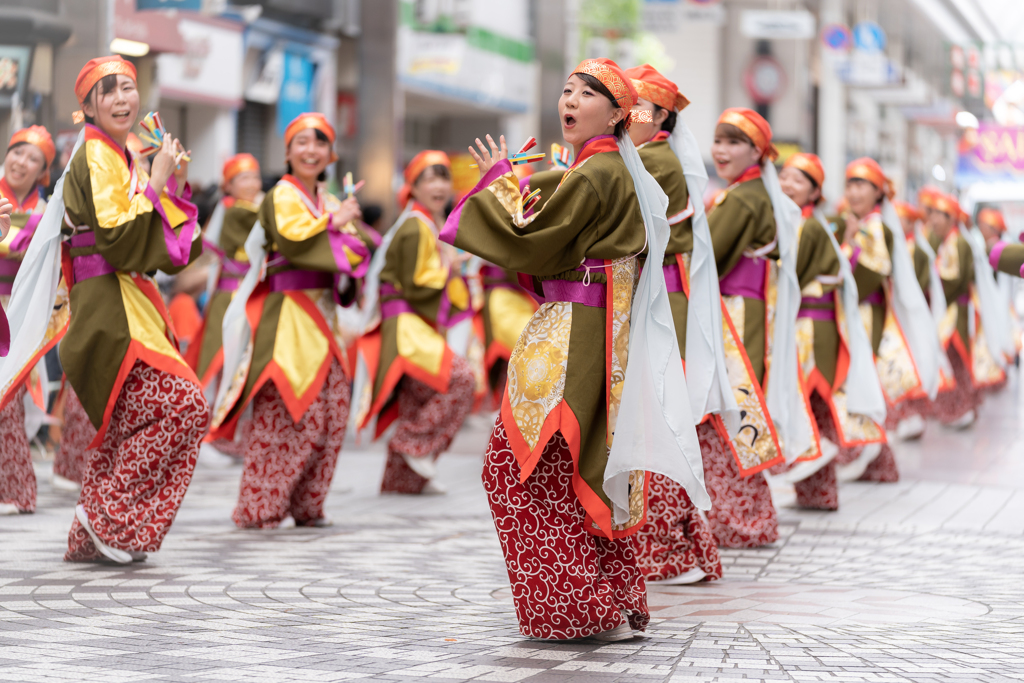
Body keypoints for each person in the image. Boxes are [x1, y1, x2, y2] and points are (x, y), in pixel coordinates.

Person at [440, 58, 708, 641]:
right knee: (569, 468)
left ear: (618, 113)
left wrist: (495, 184)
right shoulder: (609, 168)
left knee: (520, 470)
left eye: (588, 93)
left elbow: (530, 244)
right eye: (566, 90)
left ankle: (577, 609)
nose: (570, 100)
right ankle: (607, 600)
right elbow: (555, 242)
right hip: (597, 330)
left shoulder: (595, 173)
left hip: (573, 334)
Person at [0, 56, 206, 563]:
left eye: (129, 88)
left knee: (132, 419)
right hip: (108, 307)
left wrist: (165, 180)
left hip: (128, 301)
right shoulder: (95, 154)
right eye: (108, 90)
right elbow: (117, 239)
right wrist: (156, 184)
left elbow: (166, 247)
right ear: (87, 106)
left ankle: (100, 525)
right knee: (182, 405)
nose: (122, 98)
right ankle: (108, 515)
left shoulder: (120, 156)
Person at [209, 113, 370, 528]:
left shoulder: (331, 201)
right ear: (286, 151)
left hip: (325, 316)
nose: (310, 150)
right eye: (301, 142)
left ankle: (307, 504)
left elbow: (356, 253)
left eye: (319, 143)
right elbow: (298, 242)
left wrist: (341, 236)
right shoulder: (282, 195)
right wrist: (336, 228)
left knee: (333, 412)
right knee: (290, 410)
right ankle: (260, 507)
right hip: (289, 316)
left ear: (331, 153)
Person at [621, 63, 722, 583]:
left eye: (636, 105)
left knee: (653, 421)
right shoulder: (641, 155)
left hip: (657, 300)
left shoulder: (651, 160)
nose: (627, 113)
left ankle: (668, 550)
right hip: (653, 296)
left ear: (660, 116)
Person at [704, 108, 813, 547]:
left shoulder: (743, 198)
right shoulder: (751, 194)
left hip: (733, 312)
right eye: (718, 140)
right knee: (738, 412)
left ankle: (740, 521)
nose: (722, 150)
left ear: (757, 151)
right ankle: (749, 518)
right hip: (749, 310)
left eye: (734, 142)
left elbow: (704, 258)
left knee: (730, 411)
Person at [352, 150, 475, 495]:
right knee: (460, 379)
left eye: (443, 178)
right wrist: (449, 267)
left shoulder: (426, 222)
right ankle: (412, 442)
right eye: (429, 179)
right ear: (413, 187)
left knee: (416, 398)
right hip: (404, 322)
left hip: (411, 321)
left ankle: (402, 482)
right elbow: (419, 281)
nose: (438, 186)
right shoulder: (415, 225)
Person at [776, 153, 887, 509]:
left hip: (811, 324)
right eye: (784, 176)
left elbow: (790, 276)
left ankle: (819, 469)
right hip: (819, 322)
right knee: (817, 405)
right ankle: (818, 494)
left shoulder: (806, 227)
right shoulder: (810, 224)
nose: (787, 184)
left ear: (815, 192)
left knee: (806, 401)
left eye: (798, 180)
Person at [837, 159, 939, 482]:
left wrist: (845, 249)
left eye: (861, 185)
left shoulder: (873, 226)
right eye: (850, 184)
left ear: (878, 192)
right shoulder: (864, 223)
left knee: (859, 380)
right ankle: (874, 460)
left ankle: (866, 454)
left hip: (865, 313)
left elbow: (867, 274)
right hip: (862, 310)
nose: (853, 192)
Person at [185, 153, 263, 457]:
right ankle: (210, 436)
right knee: (220, 361)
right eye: (243, 177)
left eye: (255, 176)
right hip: (231, 298)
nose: (252, 183)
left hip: (249, 297)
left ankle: (229, 437)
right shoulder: (234, 211)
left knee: (241, 365)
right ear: (228, 185)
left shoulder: (252, 207)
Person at [0, 126, 55, 515]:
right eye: (17, 152)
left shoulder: (47, 211)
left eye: (32, 158)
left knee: (10, 399)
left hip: (21, 311)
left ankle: (14, 489)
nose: (21, 161)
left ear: (42, 172)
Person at [929, 194, 1004, 426]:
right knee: (953, 360)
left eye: (937, 215)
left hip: (956, 312)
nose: (932, 221)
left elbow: (955, 281)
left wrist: (934, 292)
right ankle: (957, 410)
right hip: (951, 309)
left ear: (950, 218)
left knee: (957, 359)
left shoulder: (959, 242)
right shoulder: (949, 241)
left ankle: (962, 409)